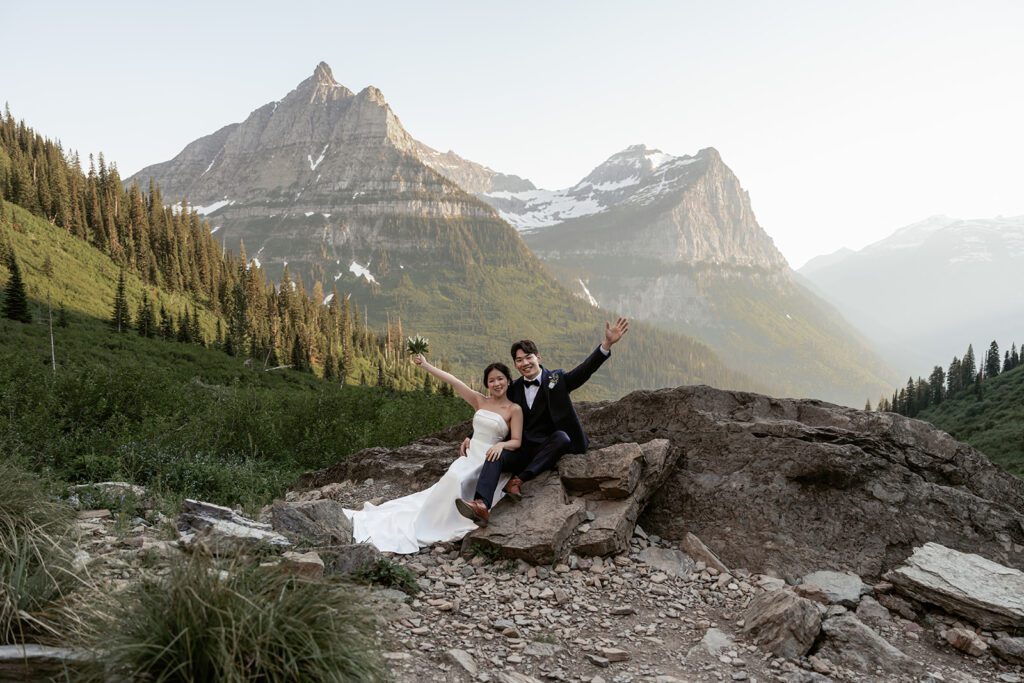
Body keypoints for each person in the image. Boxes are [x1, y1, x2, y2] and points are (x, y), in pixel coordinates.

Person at [455, 318, 630, 527]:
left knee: (562, 438)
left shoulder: (557, 379)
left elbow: (584, 371)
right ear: (515, 365)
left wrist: (606, 345)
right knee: (495, 453)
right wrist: (473, 436)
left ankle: (518, 480)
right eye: (519, 360)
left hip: (549, 446)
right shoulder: (514, 389)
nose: (525, 363)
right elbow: (494, 411)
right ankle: (481, 505)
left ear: (538, 357)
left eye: (528, 357)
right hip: (521, 448)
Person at [342, 356, 522, 554]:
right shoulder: (480, 400)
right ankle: (432, 519)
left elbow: (517, 441)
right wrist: (426, 365)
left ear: (508, 380)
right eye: (491, 380)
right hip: (469, 456)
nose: (496, 383)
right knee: (452, 477)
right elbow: (454, 381)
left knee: (458, 480)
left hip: (488, 459)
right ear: (487, 384)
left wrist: (501, 445)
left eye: (500, 379)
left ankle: (462, 513)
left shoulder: (514, 409)